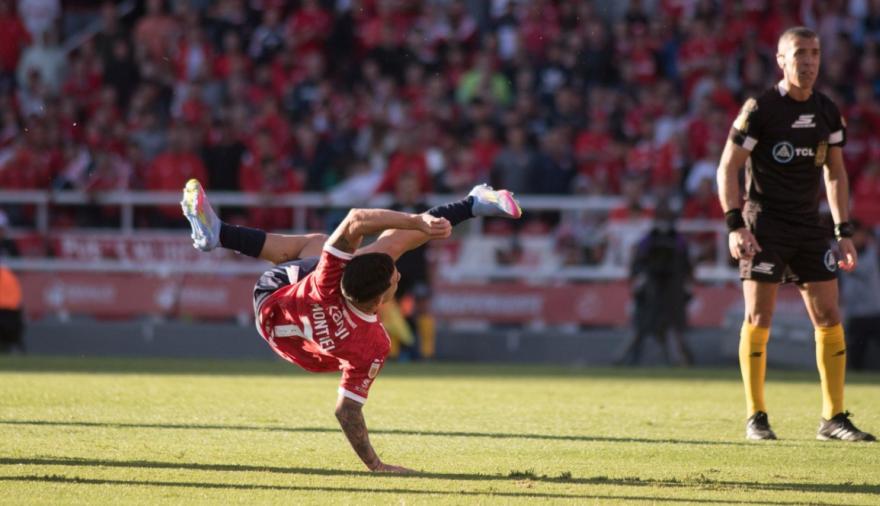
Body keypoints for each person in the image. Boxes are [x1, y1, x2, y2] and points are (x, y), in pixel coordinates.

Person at [181, 178, 522, 472]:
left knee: (345, 244)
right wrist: (376, 465)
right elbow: (346, 409)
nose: (398, 275)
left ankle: (220, 235)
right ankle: (473, 203)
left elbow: (356, 219)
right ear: (378, 302)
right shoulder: (373, 343)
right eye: (394, 279)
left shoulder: (329, 279)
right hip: (299, 347)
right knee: (376, 244)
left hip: (275, 305)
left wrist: (416, 219)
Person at [717, 27, 875, 442]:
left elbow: (836, 172)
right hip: (764, 224)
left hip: (809, 226)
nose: (808, 61)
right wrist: (735, 224)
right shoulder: (760, 108)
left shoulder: (827, 111)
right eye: (799, 53)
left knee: (828, 316)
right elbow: (728, 167)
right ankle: (756, 417)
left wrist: (843, 232)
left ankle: (833, 418)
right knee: (759, 318)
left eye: (814, 53)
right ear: (781, 60)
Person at [840, 220, 880, 370]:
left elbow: (861, 270)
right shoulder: (844, 254)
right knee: (855, 356)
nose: (855, 238)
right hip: (855, 314)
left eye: (857, 234)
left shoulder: (873, 253)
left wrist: (847, 264)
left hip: (875, 312)